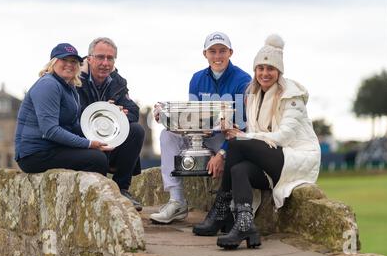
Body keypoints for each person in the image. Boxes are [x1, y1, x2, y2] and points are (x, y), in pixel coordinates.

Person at [193, 34, 321, 250]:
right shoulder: (254, 94)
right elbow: (252, 134)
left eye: (270, 69)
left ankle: (221, 208)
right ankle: (246, 224)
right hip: (270, 158)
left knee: (235, 144)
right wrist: (233, 130)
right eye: (260, 68)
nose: (264, 73)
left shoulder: (291, 96)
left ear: (278, 71)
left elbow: (284, 138)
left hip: (294, 158)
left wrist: (242, 137)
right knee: (239, 170)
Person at [150, 32, 252, 224]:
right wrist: (166, 117)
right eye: (212, 51)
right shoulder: (197, 78)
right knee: (167, 135)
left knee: (236, 136)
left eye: (222, 51)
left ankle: (229, 205)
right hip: (203, 136)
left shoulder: (243, 80)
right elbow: (192, 119)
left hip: (227, 138)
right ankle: (177, 202)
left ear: (231, 52)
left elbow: (242, 125)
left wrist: (222, 153)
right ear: (205, 53)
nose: (218, 56)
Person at [15, 43, 110, 175]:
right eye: (64, 60)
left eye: (73, 61)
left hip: (55, 147)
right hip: (35, 155)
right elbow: (50, 130)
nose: (69, 64)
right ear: (53, 62)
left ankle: (121, 190)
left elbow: (74, 125)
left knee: (109, 151)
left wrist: (102, 135)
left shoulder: (70, 88)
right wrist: (88, 143)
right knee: (96, 159)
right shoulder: (48, 84)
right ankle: (98, 195)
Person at [77, 37, 145, 211]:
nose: (105, 63)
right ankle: (99, 191)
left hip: (111, 143)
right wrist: (102, 115)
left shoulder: (118, 82)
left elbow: (134, 111)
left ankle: (122, 189)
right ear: (89, 58)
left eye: (110, 58)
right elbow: (72, 114)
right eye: (100, 57)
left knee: (136, 130)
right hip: (82, 141)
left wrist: (119, 114)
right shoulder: (76, 79)